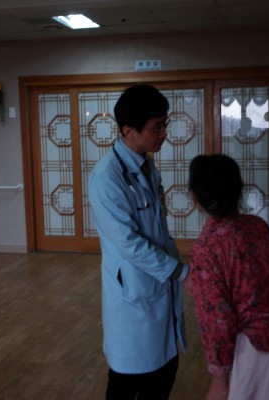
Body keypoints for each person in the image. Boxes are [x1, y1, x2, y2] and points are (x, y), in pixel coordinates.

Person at [187, 153, 269, 400]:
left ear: (194, 198)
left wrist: (220, 379)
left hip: (262, 356)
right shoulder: (257, 225)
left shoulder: (207, 247)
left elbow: (217, 318)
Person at [88, 84, 187, 400]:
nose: (164, 134)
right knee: (129, 378)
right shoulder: (107, 177)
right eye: (156, 127)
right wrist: (179, 271)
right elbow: (129, 244)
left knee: (164, 370)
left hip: (157, 283)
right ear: (128, 131)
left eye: (164, 125)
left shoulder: (145, 164)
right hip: (133, 288)